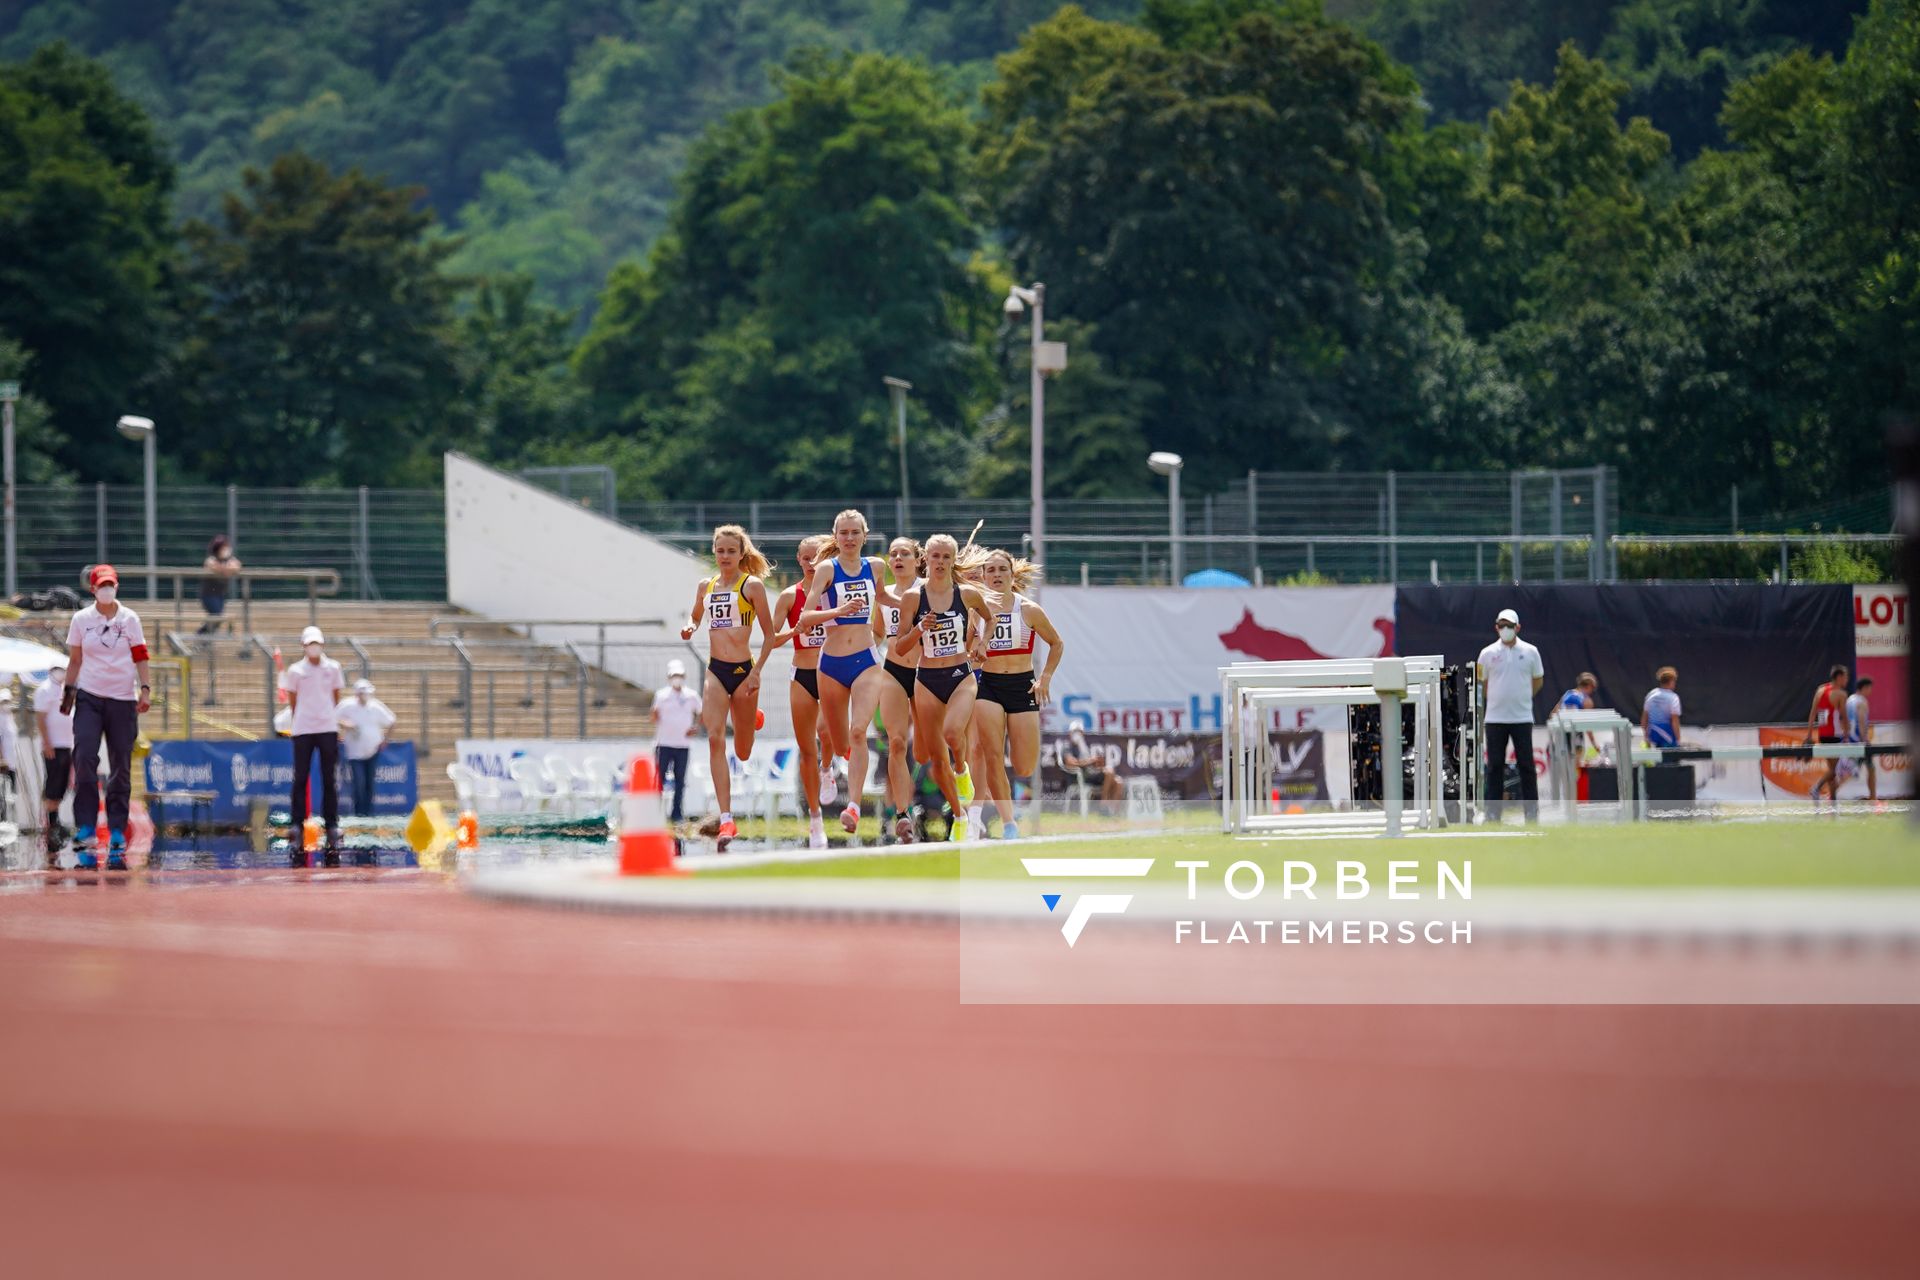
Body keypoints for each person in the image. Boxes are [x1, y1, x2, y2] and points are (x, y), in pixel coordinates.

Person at [681, 524, 775, 851]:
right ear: (714, 552)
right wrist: (690, 626)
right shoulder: (705, 586)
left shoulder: (752, 587)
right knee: (716, 735)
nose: (724, 556)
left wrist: (757, 672)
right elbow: (695, 616)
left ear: (741, 554)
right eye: (720, 551)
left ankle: (752, 718)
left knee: (744, 750)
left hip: (744, 671)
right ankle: (726, 818)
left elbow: (771, 634)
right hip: (717, 671)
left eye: (731, 551)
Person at [890, 534, 989, 841]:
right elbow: (901, 646)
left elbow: (990, 618)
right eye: (935, 557)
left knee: (952, 733)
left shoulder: (967, 595)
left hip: (960, 675)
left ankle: (962, 769)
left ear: (953, 560)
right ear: (926, 560)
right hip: (927, 680)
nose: (941, 563)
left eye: (947, 557)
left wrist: (982, 643)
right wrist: (921, 628)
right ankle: (959, 815)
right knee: (934, 758)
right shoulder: (913, 598)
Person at [964, 546, 1064, 841]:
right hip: (989, 686)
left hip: (1022, 686)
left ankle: (1009, 812)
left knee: (1024, 765)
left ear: (1012, 575)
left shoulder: (1028, 610)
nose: (996, 575)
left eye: (1001, 570)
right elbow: (965, 651)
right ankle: (1009, 824)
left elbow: (1057, 643)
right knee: (992, 755)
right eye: (990, 570)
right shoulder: (976, 612)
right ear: (982, 576)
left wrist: (1044, 678)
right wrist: (975, 654)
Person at [802, 509, 891, 836]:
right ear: (836, 536)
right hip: (832, 663)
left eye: (856, 532)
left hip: (866, 660)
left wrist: (918, 602)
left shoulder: (876, 567)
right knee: (835, 738)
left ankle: (853, 806)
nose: (850, 538)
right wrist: (839, 611)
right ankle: (827, 768)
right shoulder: (827, 569)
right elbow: (808, 614)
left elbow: (884, 597)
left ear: (864, 536)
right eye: (844, 533)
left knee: (858, 733)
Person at [61, 564, 151, 870]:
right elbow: (75, 660)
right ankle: (86, 825)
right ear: (93, 589)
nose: (107, 590)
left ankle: (116, 829)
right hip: (89, 696)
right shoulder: (81, 620)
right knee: (84, 756)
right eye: (102, 585)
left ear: (117, 587)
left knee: (120, 765)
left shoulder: (130, 619)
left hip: (123, 699)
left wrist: (146, 690)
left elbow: (140, 656)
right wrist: (68, 694)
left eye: (111, 584)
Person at [756, 535, 838, 849]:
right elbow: (771, 638)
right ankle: (816, 820)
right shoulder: (790, 597)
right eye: (805, 557)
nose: (810, 562)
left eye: (815, 557)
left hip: (831, 670)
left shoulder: (833, 591)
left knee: (826, 732)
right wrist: (795, 630)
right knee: (806, 747)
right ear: (798, 559)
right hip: (801, 672)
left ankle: (828, 767)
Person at [281, 624, 346, 864]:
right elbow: (293, 700)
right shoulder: (296, 670)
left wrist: (324, 714)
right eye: (309, 644)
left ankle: (331, 824)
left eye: (316, 643)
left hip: (327, 728)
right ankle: (296, 823)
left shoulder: (334, 668)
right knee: (301, 776)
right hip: (303, 729)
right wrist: (305, 717)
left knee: (329, 777)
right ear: (303, 646)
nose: (313, 648)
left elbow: (336, 695)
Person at [875, 537, 924, 842]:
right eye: (893, 554)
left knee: (928, 748)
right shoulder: (883, 597)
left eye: (905, 553)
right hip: (893, 671)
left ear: (918, 560)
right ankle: (902, 814)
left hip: (926, 673)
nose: (898, 558)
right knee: (896, 744)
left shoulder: (930, 590)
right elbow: (876, 635)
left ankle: (963, 806)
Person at [1475, 607, 1543, 823]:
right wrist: (1497, 698)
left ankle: (1531, 813)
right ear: (1496, 627)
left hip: (1522, 718)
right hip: (1495, 718)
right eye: (1502, 625)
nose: (1505, 629)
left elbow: (1537, 680)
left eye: (1509, 626)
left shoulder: (1531, 652)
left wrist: (1522, 698)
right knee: (1495, 767)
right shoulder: (1486, 654)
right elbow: (1481, 682)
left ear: (1518, 627)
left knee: (1526, 766)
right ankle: (1493, 813)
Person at [650, 659, 702, 825]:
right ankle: (656, 813)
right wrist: (655, 715)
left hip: (683, 745)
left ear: (684, 676)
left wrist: (696, 727)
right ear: (669, 677)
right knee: (658, 780)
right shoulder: (661, 695)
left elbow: (701, 712)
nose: (677, 678)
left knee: (680, 781)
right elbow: (653, 716)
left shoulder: (691, 695)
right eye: (674, 675)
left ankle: (677, 814)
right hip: (663, 744)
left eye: (679, 675)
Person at [338, 678, 395, 817]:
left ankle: (368, 813)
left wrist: (385, 740)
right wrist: (346, 725)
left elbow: (392, 720)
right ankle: (359, 813)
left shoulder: (375, 706)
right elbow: (333, 717)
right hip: (354, 752)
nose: (364, 696)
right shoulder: (347, 705)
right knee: (358, 783)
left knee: (369, 783)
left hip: (372, 750)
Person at [34, 656, 74, 856]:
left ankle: (55, 820)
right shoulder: (44, 689)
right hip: (53, 746)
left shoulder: (65, 690)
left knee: (62, 784)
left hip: (66, 745)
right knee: (53, 783)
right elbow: (40, 717)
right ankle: (51, 823)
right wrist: (47, 742)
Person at [1806, 664, 1851, 808]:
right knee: (1833, 771)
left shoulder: (1820, 690)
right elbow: (1843, 717)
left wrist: (1809, 735)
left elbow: (1813, 714)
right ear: (1838, 677)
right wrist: (1847, 734)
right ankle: (1816, 788)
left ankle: (1833, 802)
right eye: (1845, 677)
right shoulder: (1841, 694)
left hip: (1823, 735)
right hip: (1835, 736)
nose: (1847, 680)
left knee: (1832, 771)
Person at [197, 535, 242, 635]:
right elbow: (212, 566)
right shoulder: (211, 559)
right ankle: (200, 635)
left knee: (217, 619)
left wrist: (225, 568)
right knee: (217, 616)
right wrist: (225, 569)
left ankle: (204, 640)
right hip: (208, 595)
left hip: (220, 595)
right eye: (223, 547)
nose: (226, 549)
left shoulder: (229, 559)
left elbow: (237, 566)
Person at [1843, 676, 1876, 802]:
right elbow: (1862, 722)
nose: (1871, 692)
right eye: (1870, 689)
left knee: (1850, 771)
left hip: (1851, 740)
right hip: (1860, 742)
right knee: (1870, 769)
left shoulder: (1850, 700)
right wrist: (1865, 740)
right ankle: (1873, 799)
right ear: (1865, 688)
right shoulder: (1862, 702)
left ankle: (1831, 796)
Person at [1641, 667, 1682, 748]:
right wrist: (1678, 739)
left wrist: (1646, 737)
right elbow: (1675, 720)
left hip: (1652, 733)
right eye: (1674, 681)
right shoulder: (1673, 697)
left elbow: (1644, 718)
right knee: (1670, 758)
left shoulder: (1651, 694)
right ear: (1671, 681)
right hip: (1666, 733)